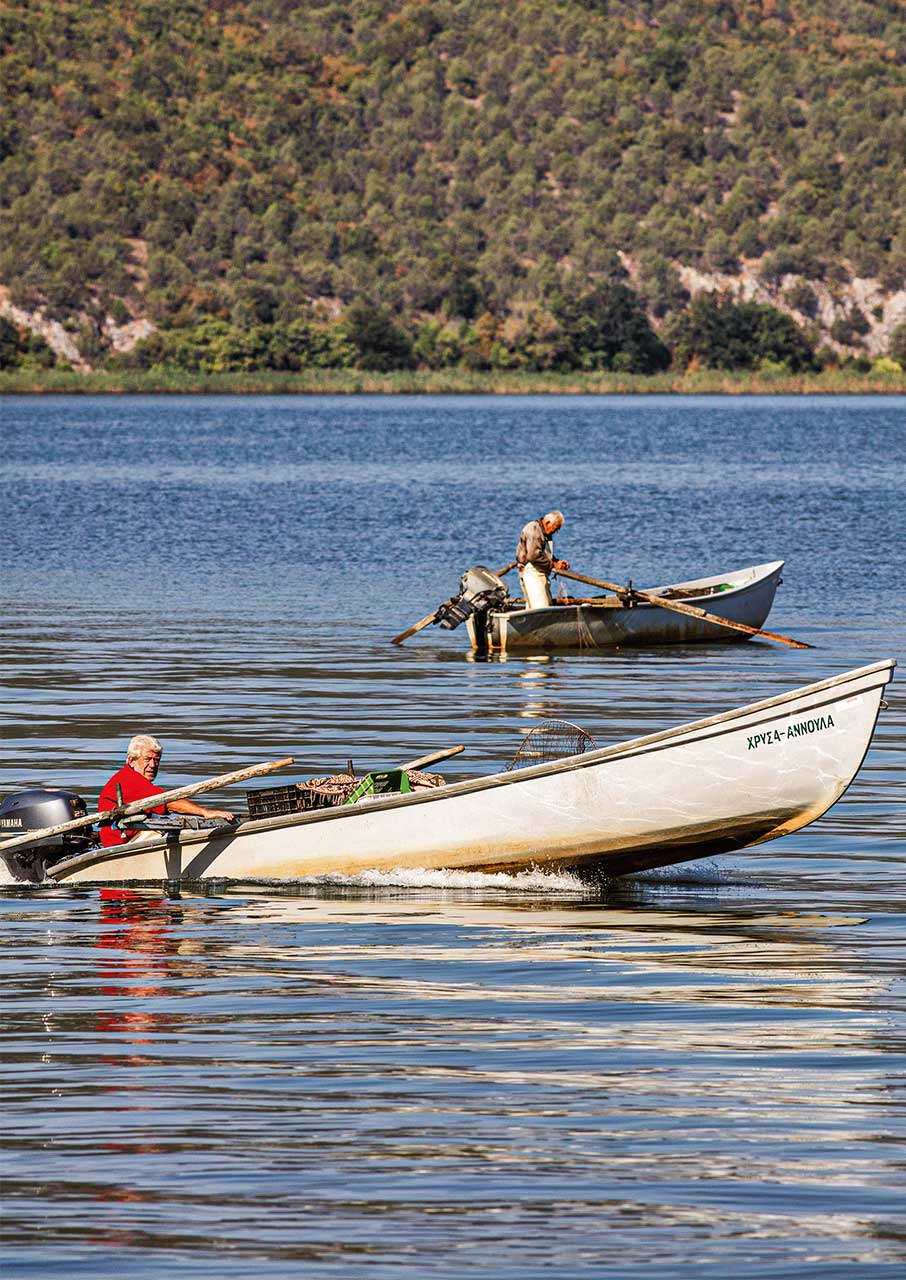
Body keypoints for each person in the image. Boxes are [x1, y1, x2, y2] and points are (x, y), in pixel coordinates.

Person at [97, 734, 235, 847]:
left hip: (135, 834)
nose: (153, 765)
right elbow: (167, 802)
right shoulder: (127, 780)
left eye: (157, 760)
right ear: (131, 760)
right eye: (147, 759)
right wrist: (205, 813)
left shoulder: (137, 781)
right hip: (122, 844)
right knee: (185, 833)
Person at [516, 510, 569, 609]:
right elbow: (533, 556)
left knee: (545, 606)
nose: (556, 531)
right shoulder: (534, 530)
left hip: (541, 575)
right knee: (540, 608)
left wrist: (557, 561)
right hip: (531, 574)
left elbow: (543, 553)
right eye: (556, 528)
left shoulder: (545, 532)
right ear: (548, 523)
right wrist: (553, 565)